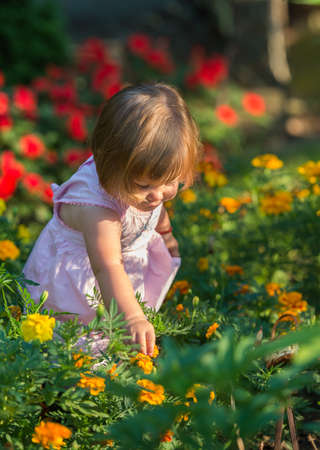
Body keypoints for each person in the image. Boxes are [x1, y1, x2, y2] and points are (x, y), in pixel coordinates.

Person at [23, 83, 201, 356]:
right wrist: (131, 318)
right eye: (144, 185)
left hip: (118, 273)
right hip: (83, 280)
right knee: (77, 346)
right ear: (111, 166)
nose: (157, 195)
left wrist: (166, 234)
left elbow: (157, 210)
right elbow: (107, 266)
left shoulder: (146, 184)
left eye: (170, 182)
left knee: (124, 330)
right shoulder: (96, 207)